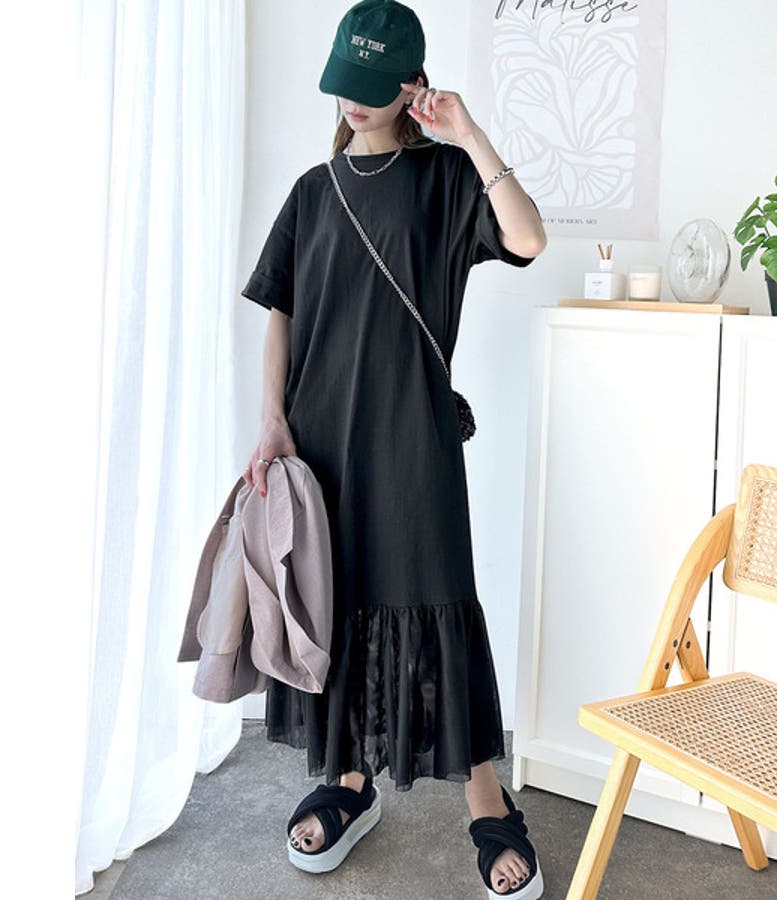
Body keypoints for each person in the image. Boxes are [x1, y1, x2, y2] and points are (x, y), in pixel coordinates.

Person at [240, 1, 547, 896]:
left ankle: (485, 799)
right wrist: (271, 419)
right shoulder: (312, 191)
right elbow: (280, 311)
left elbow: (527, 237)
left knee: (435, 593)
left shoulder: (447, 177)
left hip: (414, 438)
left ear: (412, 86)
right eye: (347, 83)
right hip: (321, 440)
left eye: (375, 86)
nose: (355, 102)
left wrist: (470, 133)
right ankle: (348, 782)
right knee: (338, 601)